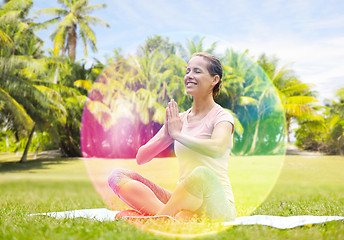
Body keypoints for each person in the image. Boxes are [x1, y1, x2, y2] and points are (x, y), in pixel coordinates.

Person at [108, 52, 236, 222]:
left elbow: (217, 148)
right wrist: (167, 135)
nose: (189, 76)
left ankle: (160, 218)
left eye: (197, 71)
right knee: (117, 176)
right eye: (187, 71)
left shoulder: (222, 117)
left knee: (201, 174)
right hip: (183, 199)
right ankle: (176, 217)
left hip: (216, 204)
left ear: (214, 80)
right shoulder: (179, 119)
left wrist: (178, 135)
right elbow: (141, 157)